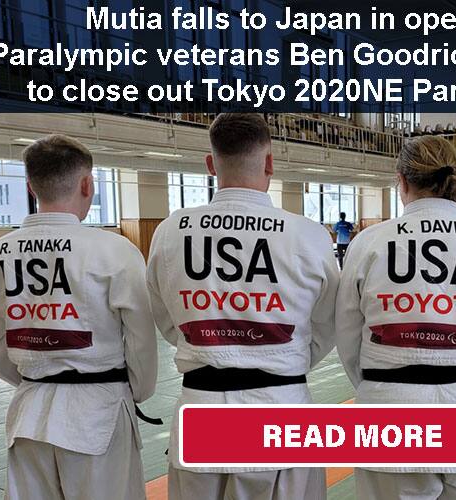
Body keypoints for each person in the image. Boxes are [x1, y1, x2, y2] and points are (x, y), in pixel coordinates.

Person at [147, 113, 339, 500]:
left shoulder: (170, 231)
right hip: (280, 410)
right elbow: (330, 323)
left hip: (201, 411)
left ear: (210, 164)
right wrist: (283, 357)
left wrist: (214, 345)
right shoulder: (307, 234)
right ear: (270, 163)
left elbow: (167, 319)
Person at [0, 135, 158, 500]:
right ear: (87, 185)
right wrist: (137, 390)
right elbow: (141, 340)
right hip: (98, 410)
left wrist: (33, 375)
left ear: (30, 186)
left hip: (29, 412)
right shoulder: (114, 252)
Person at [335, 135, 456, 500]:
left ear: (401, 181)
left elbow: (348, 335)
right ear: (453, 179)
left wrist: (377, 385)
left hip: (391, 407)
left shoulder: (369, 241)